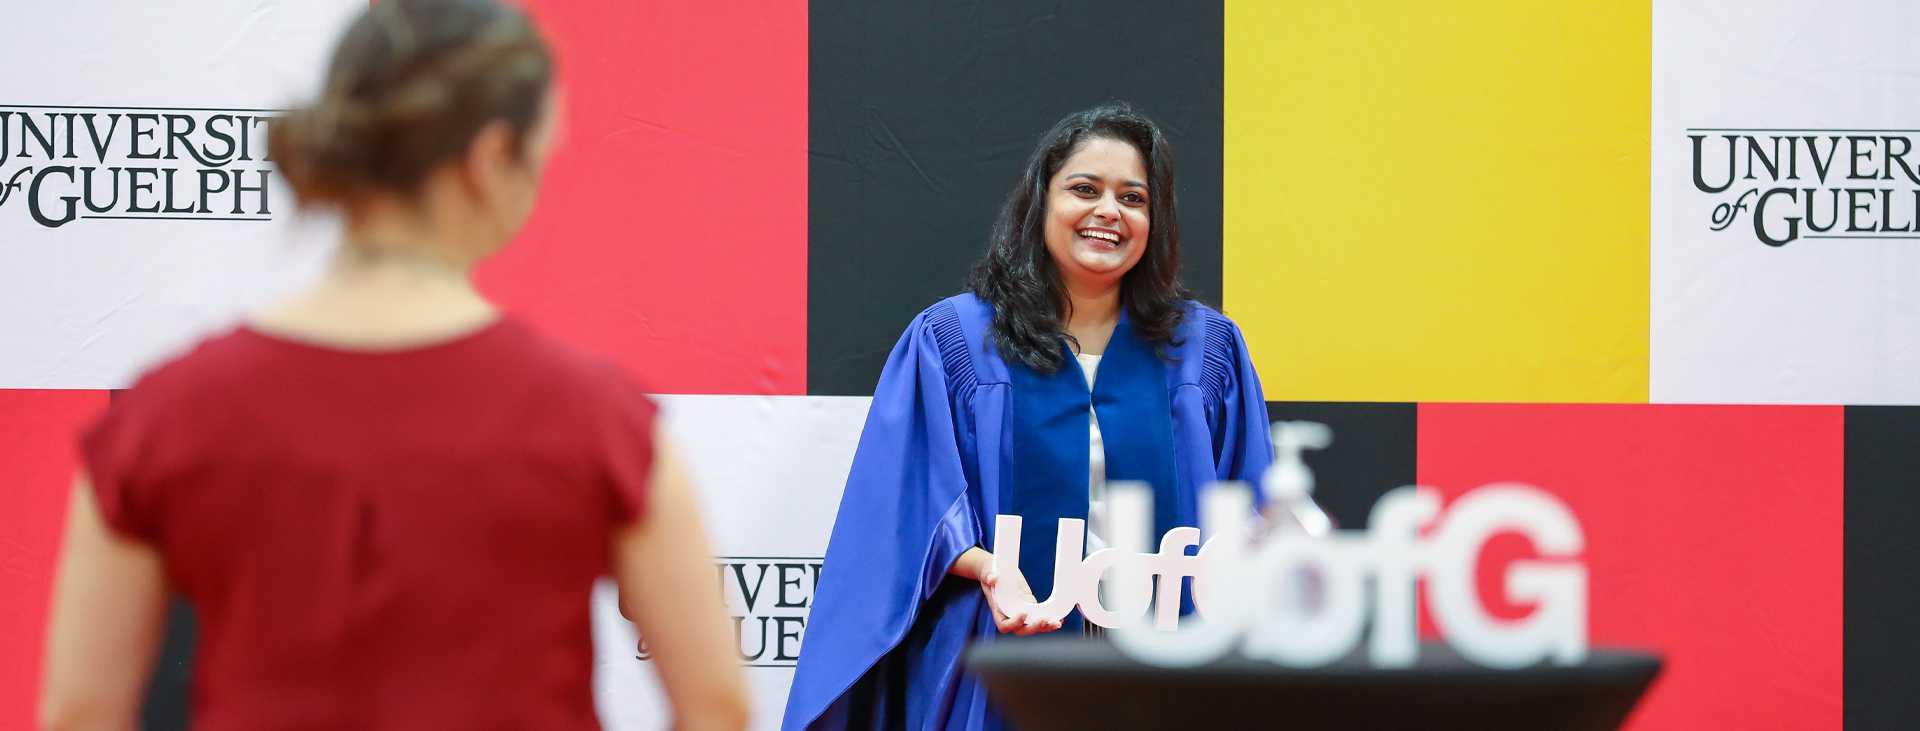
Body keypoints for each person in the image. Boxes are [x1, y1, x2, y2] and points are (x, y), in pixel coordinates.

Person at [35, 2, 747, 729]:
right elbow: (717, 705)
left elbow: (77, 713)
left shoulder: (162, 417)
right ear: (490, 156)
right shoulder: (602, 422)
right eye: (540, 153)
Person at [783, 101, 1275, 730]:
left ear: (1156, 220)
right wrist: (991, 570)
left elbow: (1250, 506)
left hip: (1169, 663)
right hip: (1005, 650)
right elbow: (908, 503)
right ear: (1041, 201)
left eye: (1133, 198)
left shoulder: (1205, 350)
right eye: (1084, 189)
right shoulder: (955, 339)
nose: (1108, 212)